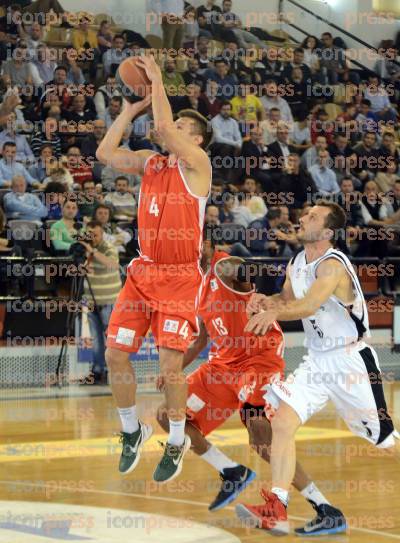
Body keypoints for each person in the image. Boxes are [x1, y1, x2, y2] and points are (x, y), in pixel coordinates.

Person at [157, 227, 344, 527]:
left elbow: (245, 268)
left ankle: (324, 508)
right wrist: (175, 368)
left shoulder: (223, 266)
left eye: (198, 242)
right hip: (222, 366)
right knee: (169, 414)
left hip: (258, 356)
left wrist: (259, 289)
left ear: (210, 244)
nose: (191, 248)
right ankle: (232, 471)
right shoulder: (195, 284)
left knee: (262, 436)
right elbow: (202, 338)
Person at [237, 200, 397, 535]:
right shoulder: (297, 262)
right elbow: (286, 299)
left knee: (385, 440)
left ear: (326, 231)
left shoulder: (333, 264)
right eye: (305, 212)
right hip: (317, 360)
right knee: (281, 421)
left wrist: (275, 313)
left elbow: (309, 305)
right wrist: (265, 302)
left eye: (311, 216)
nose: (302, 217)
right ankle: (277, 507)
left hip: (351, 362)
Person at [96, 54, 212, 483]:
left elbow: (162, 126)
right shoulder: (151, 162)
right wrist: (127, 113)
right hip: (144, 273)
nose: (170, 129)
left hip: (181, 278)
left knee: (168, 369)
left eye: (183, 127)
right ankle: (132, 430)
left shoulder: (199, 167)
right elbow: (105, 152)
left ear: (196, 139)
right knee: (114, 354)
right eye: (174, 125)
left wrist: (158, 80)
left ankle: (178, 438)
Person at [80, 221, 122, 384]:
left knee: (111, 340)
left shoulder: (109, 248)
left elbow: (112, 265)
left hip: (109, 302)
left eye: (95, 235)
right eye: (90, 235)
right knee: (96, 340)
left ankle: (115, 371)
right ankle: (98, 372)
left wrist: (93, 251)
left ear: (102, 234)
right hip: (91, 302)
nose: (93, 238)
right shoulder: (84, 251)